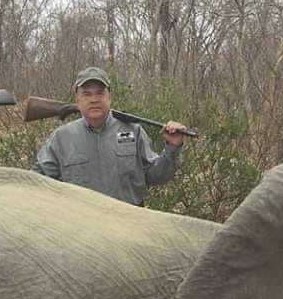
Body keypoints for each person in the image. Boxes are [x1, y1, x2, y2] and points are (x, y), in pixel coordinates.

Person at [34, 66, 188, 205]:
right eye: (87, 94)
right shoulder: (62, 137)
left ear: (109, 97)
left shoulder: (134, 131)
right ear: (77, 99)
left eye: (100, 93)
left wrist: (173, 147)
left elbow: (156, 176)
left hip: (130, 223)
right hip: (81, 228)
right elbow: (37, 181)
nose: (94, 99)